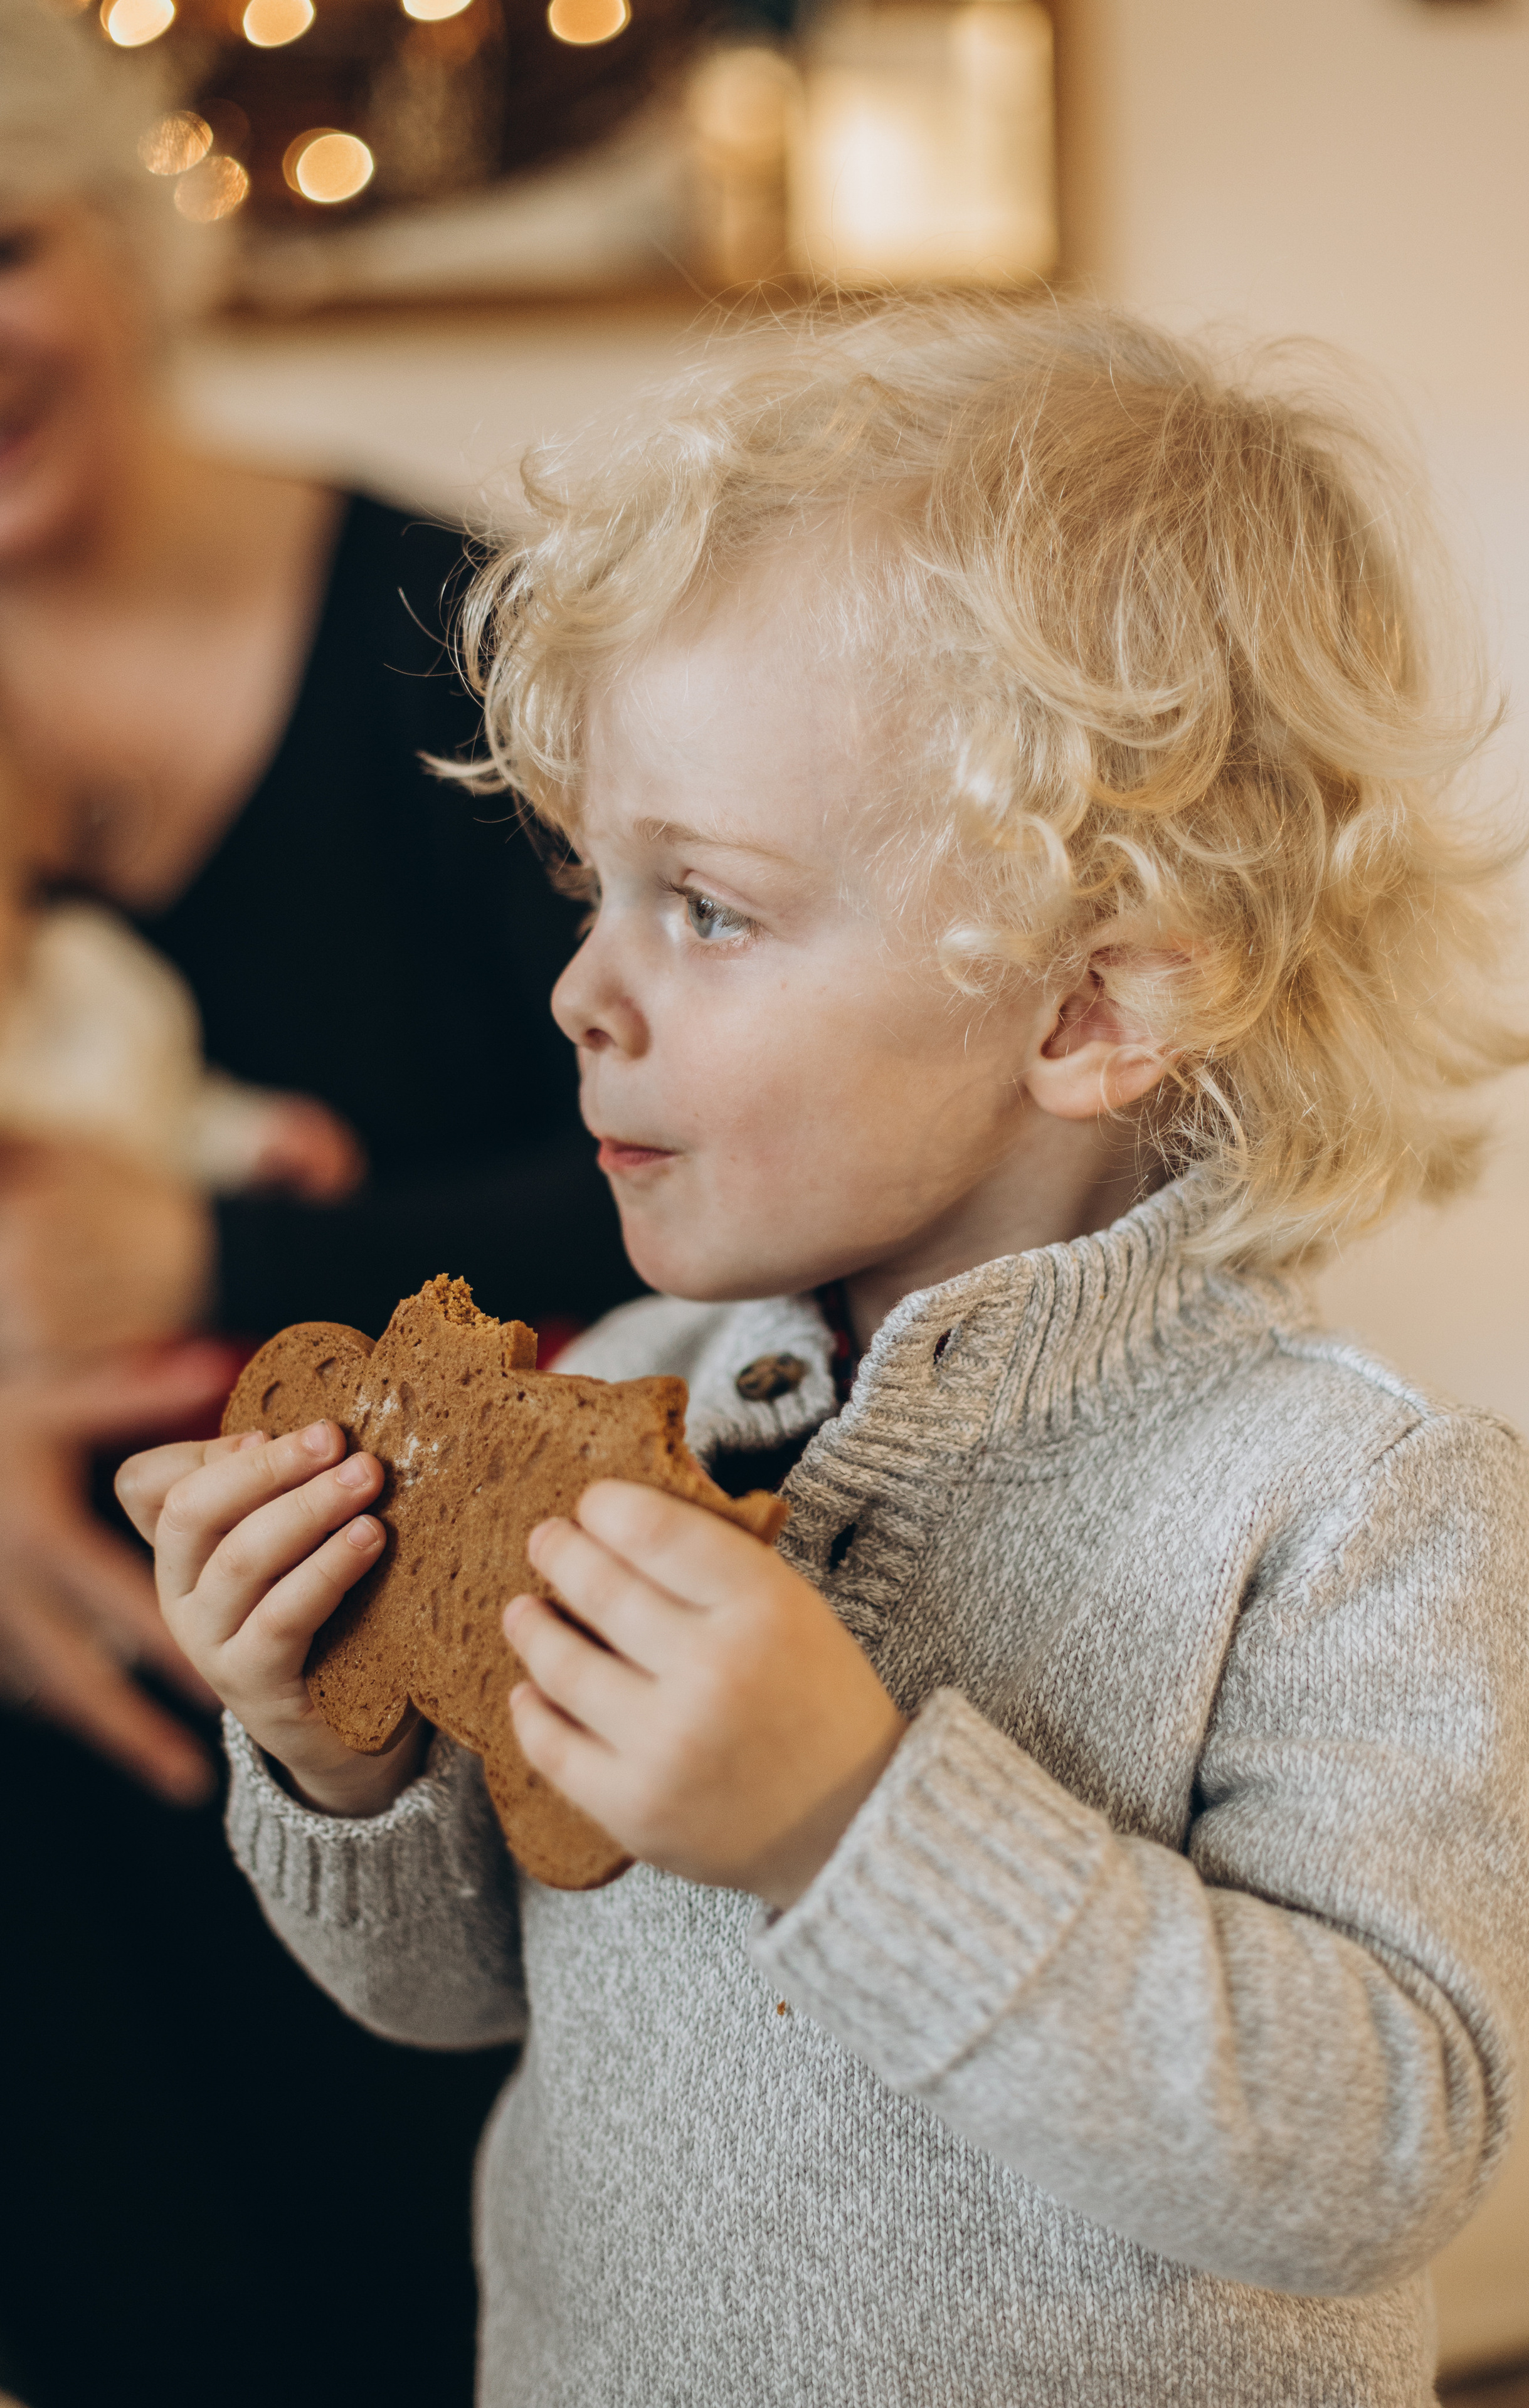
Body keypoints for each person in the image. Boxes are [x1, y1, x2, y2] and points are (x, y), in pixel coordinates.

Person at [121, 297, 1529, 2407]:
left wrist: (849, 1823)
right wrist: (345, 1757)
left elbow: (1381, 2147)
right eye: (587, 890)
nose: (581, 998)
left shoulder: (1346, 1504)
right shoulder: (622, 1381)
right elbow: (456, 2000)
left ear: (1091, 1005)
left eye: (703, 907)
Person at [0, 4, 635, 2402]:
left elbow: (715, 1178)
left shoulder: (454, 639)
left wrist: (222, 1272)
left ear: (125, 240)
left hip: (434, 1774)